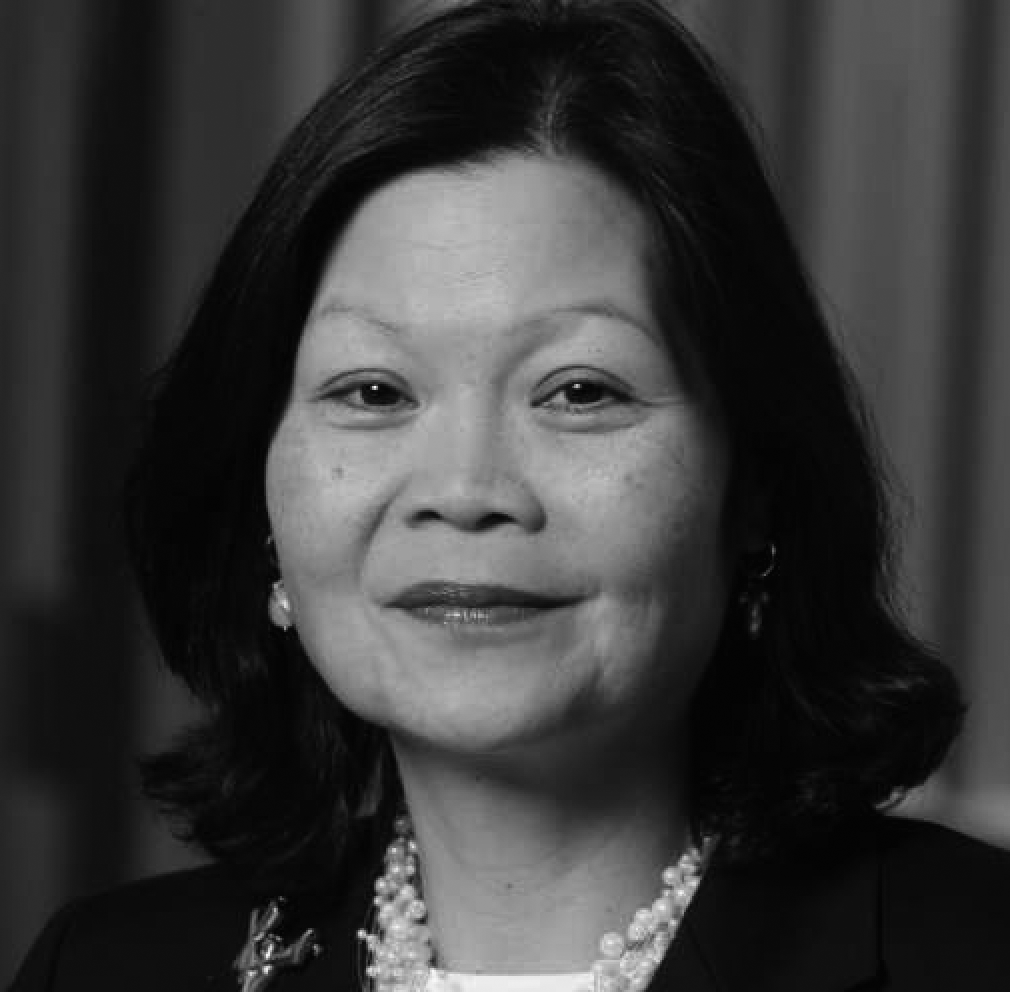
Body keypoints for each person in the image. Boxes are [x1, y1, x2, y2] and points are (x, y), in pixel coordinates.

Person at [10, 1, 1010, 990]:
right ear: (261, 504)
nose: (464, 491)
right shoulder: (103, 970)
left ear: (753, 491)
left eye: (579, 391)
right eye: (373, 392)